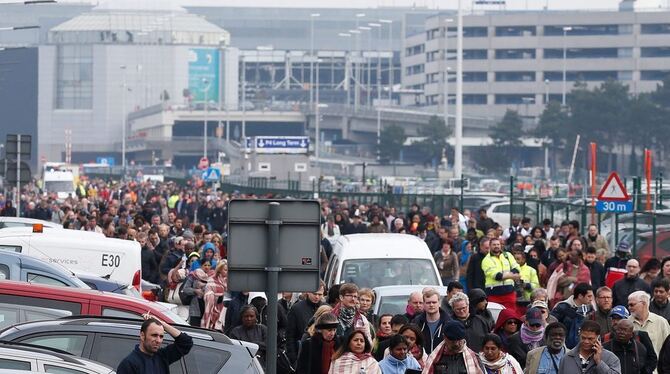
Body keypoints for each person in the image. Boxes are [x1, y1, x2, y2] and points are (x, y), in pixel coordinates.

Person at [117, 314, 193, 374]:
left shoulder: (162, 356)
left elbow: (186, 342)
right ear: (142, 336)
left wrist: (161, 323)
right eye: (154, 335)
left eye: (161, 336)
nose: (158, 340)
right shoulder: (129, 364)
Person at [286, 283, 325, 363]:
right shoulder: (296, 309)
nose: (317, 297)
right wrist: (293, 358)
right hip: (302, 355)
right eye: (314, 294)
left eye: (320, 294)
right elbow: (290, 335)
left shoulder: (326, 308)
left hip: (322, 355)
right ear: (308, 292)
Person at [549, 282, 594, 349]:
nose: (591, 299)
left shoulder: (589, 308)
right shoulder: (562, 307)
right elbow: (551, 325)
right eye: (589, 296)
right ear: (580, 296)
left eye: (591, 296)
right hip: (563, 346)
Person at [481, 238, 521, 313]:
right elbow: (497, 276)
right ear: (490, 246)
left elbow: (517, 268)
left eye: (498, 244)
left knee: (511, 314)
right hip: (494, 295)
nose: (496, 246)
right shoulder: (486, 260)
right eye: (494, 244)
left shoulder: (507, 255)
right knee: (495, 316)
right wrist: (512, 276)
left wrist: (509, 274)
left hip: (509, 292)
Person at [628, 290, 670, 358]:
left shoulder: (661, 322)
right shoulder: (626, 322)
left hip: (656, 367)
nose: (629, 308)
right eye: (629, 305)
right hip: (634, 367)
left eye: (632, 305)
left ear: (644, 304)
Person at [412, 288, 452, 354]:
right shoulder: (416, 322)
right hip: (422, 362)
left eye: (434, 302)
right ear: (423, 304)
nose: (431, 305)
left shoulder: (449, 322)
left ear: (439, 303)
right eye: (428, 303)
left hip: (443, 362)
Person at [201, 260, 227, 331]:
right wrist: (213, 296)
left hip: (225, 311)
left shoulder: (230, 281)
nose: (227, 272)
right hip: (214, 309)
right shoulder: (212, 280)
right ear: (220, 270)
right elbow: (207, 292)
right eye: (225, 270)